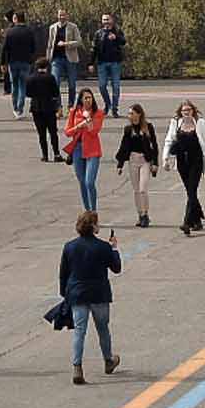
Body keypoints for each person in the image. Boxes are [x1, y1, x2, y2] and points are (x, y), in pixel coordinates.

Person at [59, 210, 123, 385]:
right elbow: (116, 268)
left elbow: (63, 273)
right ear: (93, 226)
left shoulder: (70, 246)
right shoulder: (103, 247)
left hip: (78, 294)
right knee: (103, 328)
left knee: (80, 331)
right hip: (99, 293)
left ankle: (77, 366)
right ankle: (108, 360)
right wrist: (114, 248)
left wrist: (64, 293)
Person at [62, 88, 107, 214]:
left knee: (89, 182)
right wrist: (79, 126)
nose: (88, 100)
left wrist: (89, 122)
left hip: (93, 149)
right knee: (82, 181)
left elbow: (94, 132)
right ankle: (87, 211)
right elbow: (67, 132)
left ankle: (94, 210)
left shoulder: (98, 113)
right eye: (85, 98)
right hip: (77, 149)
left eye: (90, 97)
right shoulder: (74, 112)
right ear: (81, 99)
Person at [24, 59, 62, 163]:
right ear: (47, 67)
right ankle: (56, 154)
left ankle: (45, 155)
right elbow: (55, 93)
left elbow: (28, 94)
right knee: (53, 132)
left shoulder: (30, 78)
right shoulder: (50, 77)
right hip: (49, 107)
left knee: (41, 133)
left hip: (36, 107)